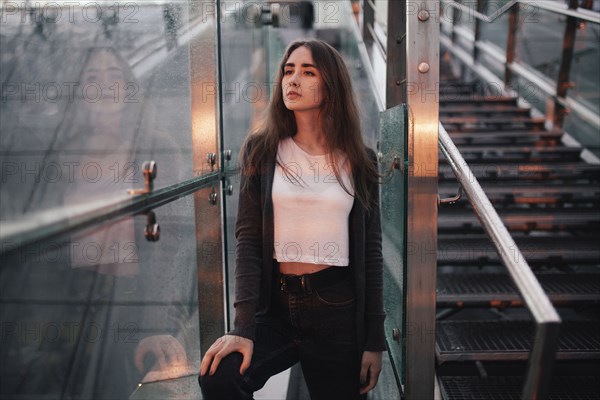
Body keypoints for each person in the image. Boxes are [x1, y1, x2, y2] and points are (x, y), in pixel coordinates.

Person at [198, 39, 386, 399]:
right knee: (219, 379)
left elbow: (371, 254)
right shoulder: (263, 150)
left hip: (338, 310)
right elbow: (249, 241)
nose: (292, 80)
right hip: (276, 310)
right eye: (288, 71)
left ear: (331, 85)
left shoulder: (360, 160)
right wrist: (243, 327)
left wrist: (373, 340)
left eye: (308, 71)